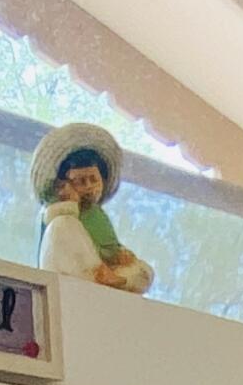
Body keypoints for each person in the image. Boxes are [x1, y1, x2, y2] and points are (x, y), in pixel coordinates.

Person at [31, 122, 155, 296]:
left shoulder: (97, 215)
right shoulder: (60, 213)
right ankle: (98, 278)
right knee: (63, 224)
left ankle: (117, 280)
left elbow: (107, 245)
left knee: (144, 271)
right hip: (74, 272)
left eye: (94, 179)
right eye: (81, 181)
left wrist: (119, 254)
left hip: (103, 269)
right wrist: (71, 203)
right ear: (65, 184)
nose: (89, 187)